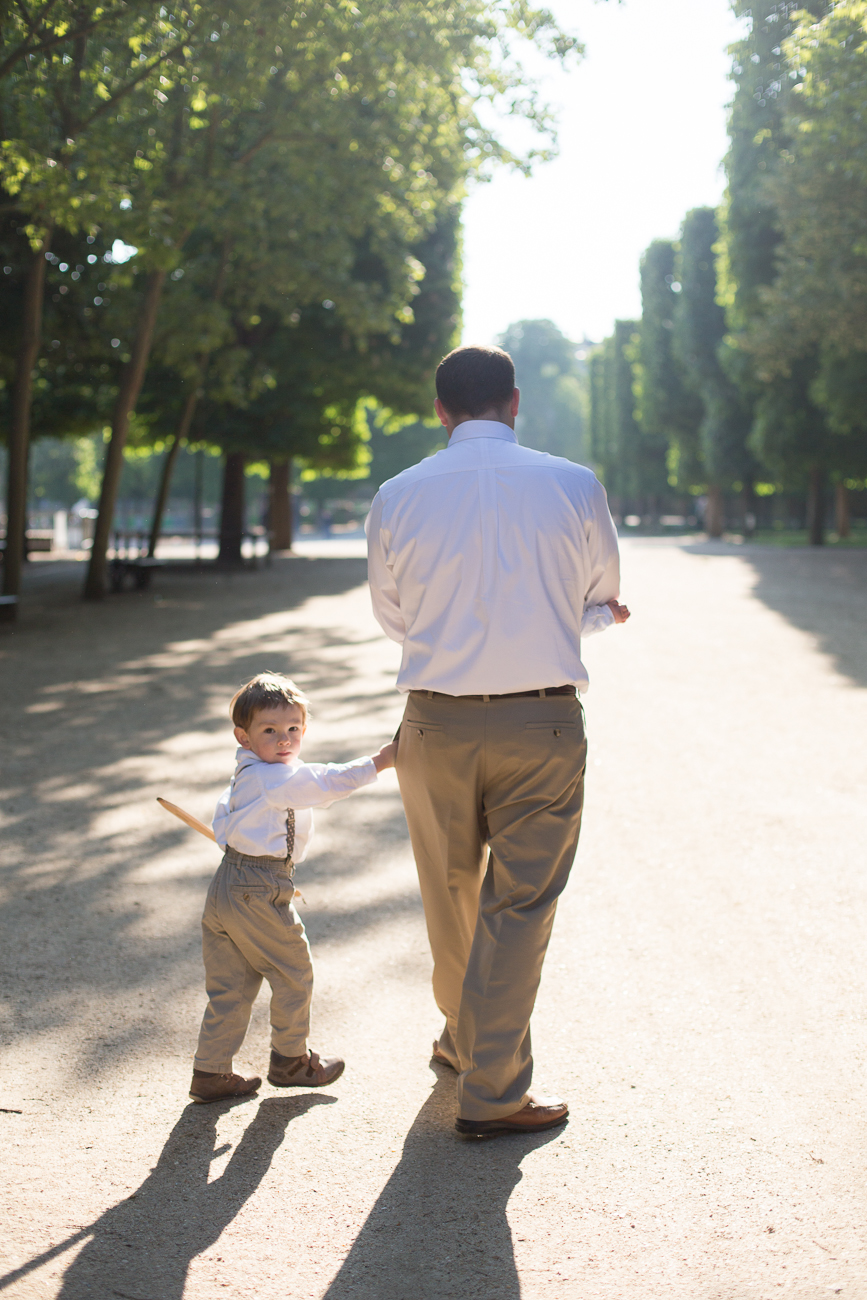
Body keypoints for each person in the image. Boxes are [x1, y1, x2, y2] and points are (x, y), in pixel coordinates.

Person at [366, 344, 629, 1139]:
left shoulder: (396, 494)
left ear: (440, 409)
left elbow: (393, 617)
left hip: (433, 718)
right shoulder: (574, 484)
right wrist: (584, 619)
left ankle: (462, 1041)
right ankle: (493, 1090)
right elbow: (599, 596)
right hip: (540, 720)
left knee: (451, 892)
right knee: (519, 908)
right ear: (514, 402)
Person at [189, 671, 398, 1104]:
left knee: (232, 984)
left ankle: (210, 1070)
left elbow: (232, 817)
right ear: (243, 736)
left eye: (293, 729)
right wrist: (380, 761)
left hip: (229, 882)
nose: (284, 739)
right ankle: (290, 1060)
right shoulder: (272, 777)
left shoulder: (252, 771)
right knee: (293, 972)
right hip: (257, 885)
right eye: (270, 730)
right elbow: (322, 784)